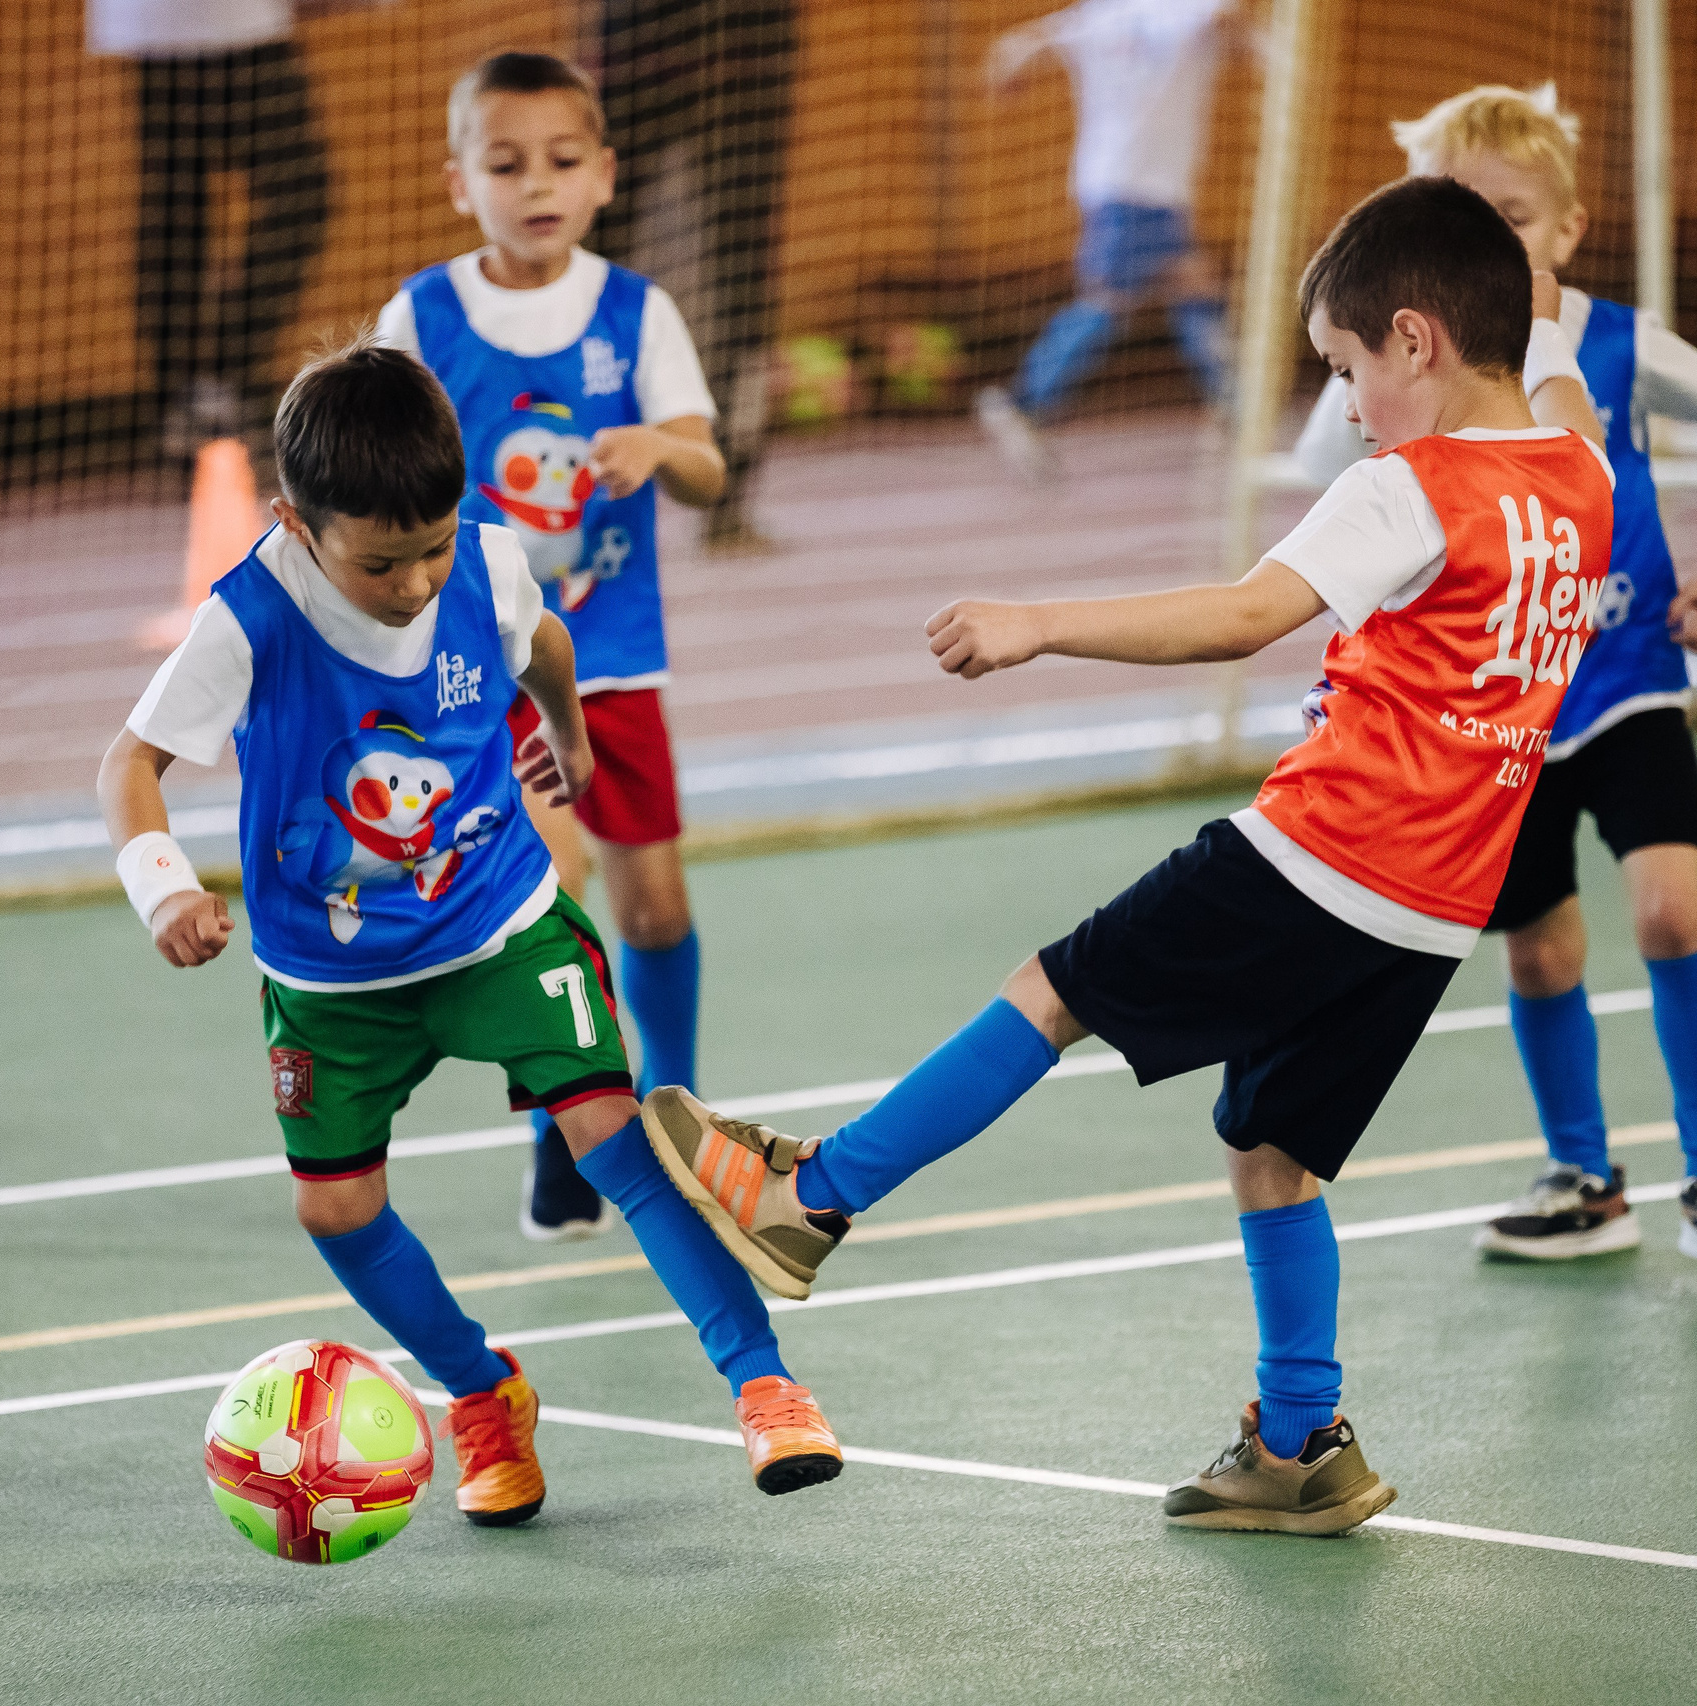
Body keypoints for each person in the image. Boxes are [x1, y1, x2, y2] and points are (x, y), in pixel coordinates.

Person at [637, 178, 1616, 1532]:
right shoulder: (1586, 471)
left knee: (1054, 988)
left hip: (1321, 850)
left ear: (1415, 340)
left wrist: (1040, 620)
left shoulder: (1408, 484)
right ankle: (1297, 1442)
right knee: (1274, 1150)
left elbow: (1239, 617)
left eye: (1344, 370)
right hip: (1435, 910)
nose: (1342, 407)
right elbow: (1552, 374)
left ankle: (812, 1196)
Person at [96, 335, 841, 1512]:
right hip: (332, 978)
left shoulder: (481, 564)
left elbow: (540, 637)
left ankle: (765, 1386)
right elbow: (127, 762)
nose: (416, 583)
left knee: (619, 1137)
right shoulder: (247, 619)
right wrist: (166, 888)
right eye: (383, 562)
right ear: (296, 524)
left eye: (434, 548)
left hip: (503, 924)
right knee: (333, 1207)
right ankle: (482, 1391)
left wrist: (571, 729)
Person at [1301, 84, 1697, 1274]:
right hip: (1499, 711)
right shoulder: (1401, 377)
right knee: (1538, 950)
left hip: (1624, 676)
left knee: (1671, 905)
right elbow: (1332, 488)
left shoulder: (1615, 343)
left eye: (1513, 215)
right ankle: (1582, 1174)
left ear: (1564, 230)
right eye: (1461, 210)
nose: (1491, 236)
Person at [376, 53, 727, 1245]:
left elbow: (709, 466)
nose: (538, 184)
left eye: (564, 161)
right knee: (552, 902)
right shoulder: (419, 318)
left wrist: (656, 451)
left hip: (614, 661)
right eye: (506, 163)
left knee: (656, 910)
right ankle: (568, 1136)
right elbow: (375, 472)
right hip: (484, 672)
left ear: (605, 176)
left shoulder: (637, 314)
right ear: (457, 180)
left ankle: (672, 1115)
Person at [973, 0, 1246, 483]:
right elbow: (1233, 23)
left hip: (1114, 180)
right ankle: (1025, 402)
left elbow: (1014, 49)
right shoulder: (1184, 12)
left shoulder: (1096, 17)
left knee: (1195, 285)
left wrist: (1008, 77)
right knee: (1109, 299)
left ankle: (1232, 408)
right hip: (1143, 184)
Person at [88, 0, 335, 455]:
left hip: (176, 21)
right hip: (205, 20)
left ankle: (194, 398)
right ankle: (207, 391)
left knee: (181, 204)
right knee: (188, 205)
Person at [592, 2, 798, 546]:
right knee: (587, 269)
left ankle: (728, 492)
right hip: (643, 49)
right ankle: (566, 474)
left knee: (743, 285)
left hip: (745, 57)